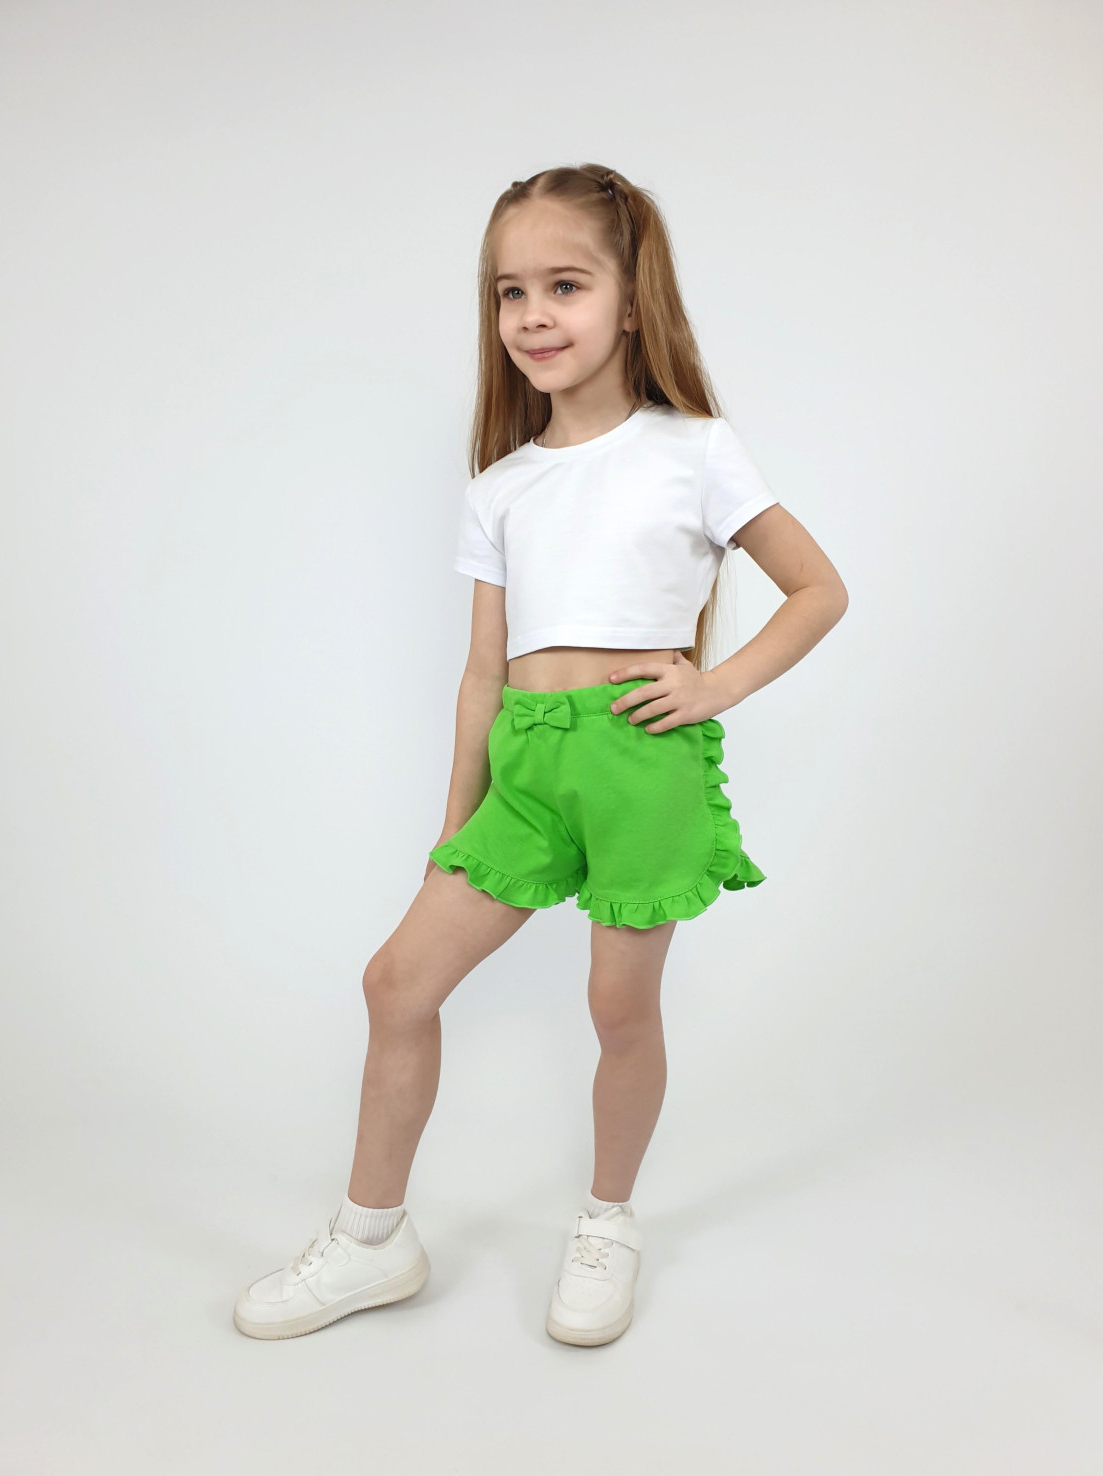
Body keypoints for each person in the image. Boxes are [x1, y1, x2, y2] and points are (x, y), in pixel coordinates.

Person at [233, 163, 848, 1348]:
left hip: (640, 762)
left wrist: (715, 685)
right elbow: (482, 674)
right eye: (510, 292)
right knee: (396, 984)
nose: (532, 315)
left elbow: (819, 590)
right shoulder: (502, 486)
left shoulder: (695, 451)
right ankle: (372, 1239)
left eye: (564, 285)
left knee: (618, 1005)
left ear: (632, 300)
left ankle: (608, 1222)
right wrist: (449, 831)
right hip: (524, 768)